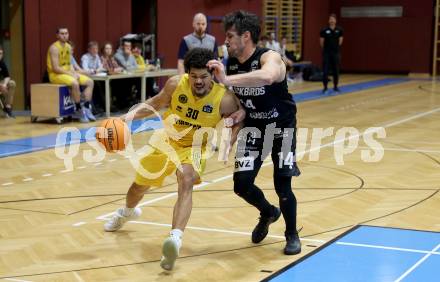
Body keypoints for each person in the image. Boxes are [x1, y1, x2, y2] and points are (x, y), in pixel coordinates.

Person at [103, 48, 244, 270]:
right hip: (166, 141)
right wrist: (127, 116)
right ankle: (127, 212)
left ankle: (175, 239)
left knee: (185, 180)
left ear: (213, 74)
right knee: (139, 188)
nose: (198, 81)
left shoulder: (224, 98)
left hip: (196, 147)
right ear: (188, 74)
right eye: (194, 76)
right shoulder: (175, 84)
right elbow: (156, 102)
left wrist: (230, 141)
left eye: (204, 77)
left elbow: (238, 120)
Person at [207, 10, 302, 255]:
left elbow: (268, 77)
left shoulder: (269, 58)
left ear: (246, 36)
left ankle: (291, 233)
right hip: (254, 129)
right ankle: (268, 212)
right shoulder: (232, 63)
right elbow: (243, 100)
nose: (225, 41)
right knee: (241, 184)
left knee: (283, 184)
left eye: (230, 36)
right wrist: (237, 116)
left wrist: (227, 80)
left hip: (281, 127)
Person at [47, 27, 95, 122]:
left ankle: (86, 107)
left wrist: (74, 73)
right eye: (62, 33)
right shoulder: (54, 48)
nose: (64, 35)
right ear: (57, 35)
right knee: (74, 83)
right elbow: (56, 68)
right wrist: (71, 74)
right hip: (55, 75)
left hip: (67, 73)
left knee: (90, 82)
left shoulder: (68, 47)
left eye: (66, 33)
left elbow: (70, 65)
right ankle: (77, 110)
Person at [320, 13, 343, 93]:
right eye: (330, 19)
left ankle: (335, 86)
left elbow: (340, 41)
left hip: (335, 53)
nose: (332, 20)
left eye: (333, 19)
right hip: (327, 53)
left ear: (335, 21)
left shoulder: (339, 30)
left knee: (336, 70)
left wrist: (335, 49)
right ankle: (325, 87)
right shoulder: (324, 30)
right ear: (328, 21)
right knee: (325, 71)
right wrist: (326, 50)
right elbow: (321, 42)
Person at [0, 45, 16, 118]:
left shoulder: (2, 63)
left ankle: (8, 106)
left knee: (12, 83)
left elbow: (7, 76)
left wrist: (4, 84)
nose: (0, 55)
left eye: (1, 54)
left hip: (1, 84)